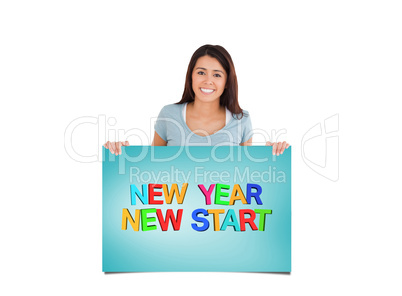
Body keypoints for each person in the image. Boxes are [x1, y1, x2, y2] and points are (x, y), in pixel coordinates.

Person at [104, 44, 289, 155]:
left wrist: (272, 155)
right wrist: (122, 153)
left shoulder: (242, 120)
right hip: (175, 216)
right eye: (201, 72)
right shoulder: (169, 115)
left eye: (217, 75)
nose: (208, 80)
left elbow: (248, 175)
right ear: (191, 76)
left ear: (226, 82)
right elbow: (151, 167)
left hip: (222, 218)